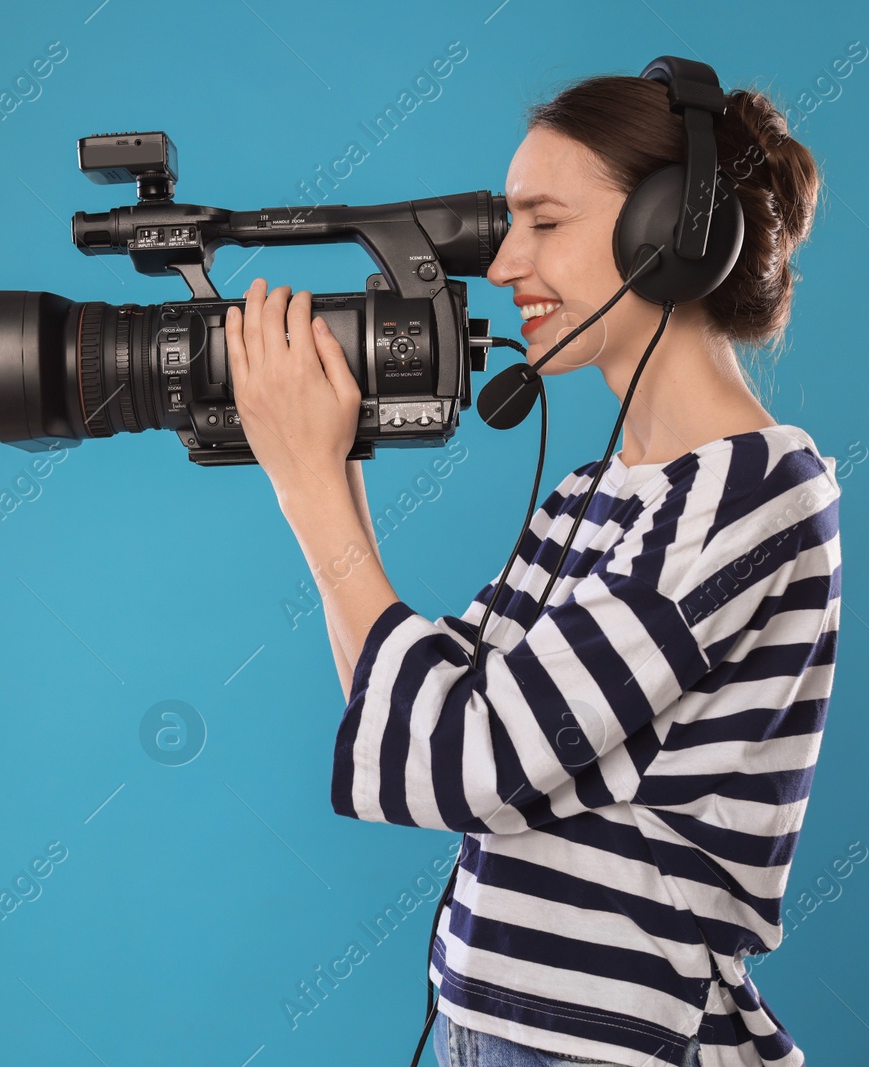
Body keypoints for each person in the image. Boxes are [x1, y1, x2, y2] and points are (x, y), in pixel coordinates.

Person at [223, 69, 835, 1067]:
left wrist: (309, 490)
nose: (505, 264)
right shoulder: (597, 496)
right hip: (494, 1030)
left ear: (671, 232)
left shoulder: (749, 496)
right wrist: (328, 465)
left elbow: (471, 760)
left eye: (543, 224)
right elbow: (409, 713)